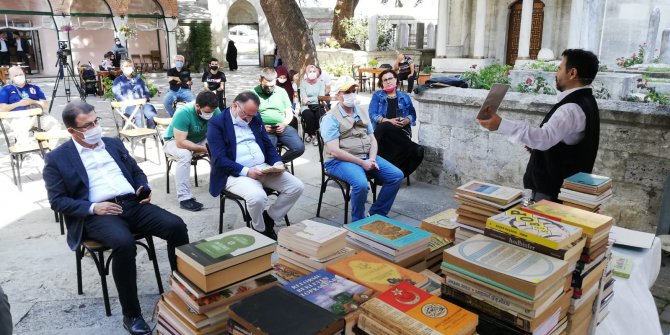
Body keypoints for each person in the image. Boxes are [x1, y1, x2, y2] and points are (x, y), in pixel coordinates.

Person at [43, 101, 189, 335]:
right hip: (98, 213)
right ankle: (131, 314)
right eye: (87, 125)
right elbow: (57, 201)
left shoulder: (112, 143)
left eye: (96, 121)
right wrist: (93, 207)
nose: (95, 127)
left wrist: (142, 186)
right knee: (123, 244)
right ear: (72, 131)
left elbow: (136, 171)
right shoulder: (58, 158)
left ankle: (185, 291)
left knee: (176, 225)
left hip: (132, 203)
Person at [477, 49, 601, 202]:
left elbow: (544, 139)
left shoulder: (570, 108)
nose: (556, 74)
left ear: (572, 73)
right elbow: (564, 142)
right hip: (566, 190)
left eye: (560, 68)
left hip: (553, 192)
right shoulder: (587, 101)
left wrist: (500, 124)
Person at [207, 91, 304, 240]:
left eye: (253, 115)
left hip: (263, 167)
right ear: (234, 106)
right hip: (235, 173)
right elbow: (219, 159)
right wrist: (246, 171)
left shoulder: (254, 117)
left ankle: (269, 217)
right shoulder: (217, 123)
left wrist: (277, 163)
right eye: (246, 114)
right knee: (258, 197)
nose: (249, 119)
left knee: (296, 186)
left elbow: (267, 144)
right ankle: (259, 229)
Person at [320, 79, 404, 222]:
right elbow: (334, 151)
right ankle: (358, 221)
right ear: (337, 96)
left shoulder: (361, 111)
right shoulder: (331, 118)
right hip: (338, 161)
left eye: (353, 91)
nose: (351, 95)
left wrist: (371, 159)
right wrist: (362, 163)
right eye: (347, 92)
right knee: (361, 184)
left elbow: (372, 140)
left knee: (396, 176)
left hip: (365, 156)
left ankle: (377, 214)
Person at [163, 91, 221, 211]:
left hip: (199, 139)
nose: (209, 115)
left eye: (211, 112)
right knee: (184, 154)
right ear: (197, 106)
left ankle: (225, 184)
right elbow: (181, 142)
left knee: (223, 145)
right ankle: (184, 198)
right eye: (206, 112)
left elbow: (220, 131)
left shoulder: (215, 110)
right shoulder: (183, 112)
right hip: (174, 141)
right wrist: (205, 149)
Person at [368, 69, 424, 178]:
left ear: (396, 80)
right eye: (385, 80)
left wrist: (407, 120)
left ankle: (391, 174)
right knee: (385, 126)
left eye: (390, 78)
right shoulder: (377, 96)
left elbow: (413, 114)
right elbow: (372, 115)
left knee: (388, 129)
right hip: (382, 133)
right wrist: (389, 121)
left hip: (400, 132)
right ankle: (413, 148)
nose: (388, 81)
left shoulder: (404, 97)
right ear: (382, 83)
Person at [252, 67, 305, 163]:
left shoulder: (281, 91)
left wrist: (284, 124)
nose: (269, 89)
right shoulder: (252, 93)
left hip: (282, 126)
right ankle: (273, 166)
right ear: (260, 80)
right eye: (266, 86)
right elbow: (247, 117)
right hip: (264, 129)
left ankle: (278, 163)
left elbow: (289, 113)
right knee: (268, 150)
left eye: (272, 86)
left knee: (299, 147)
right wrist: (261, 127)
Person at [112, 59, 157, 128]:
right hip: (127, 105)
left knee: (151, 113)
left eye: (130, 66)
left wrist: (145, 99)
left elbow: (146, 91)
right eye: (126, 66)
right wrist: (129, 102)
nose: (128, 68)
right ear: (122, 67)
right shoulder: (118, 80)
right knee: (138, 114)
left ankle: (150, 131)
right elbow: (117, 95)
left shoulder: (138, 78)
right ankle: (141, 134)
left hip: (142, 104)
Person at [299, 64, 326, 146]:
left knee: (320, 115)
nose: (312, 73)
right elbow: (303, 99)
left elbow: (321, 97)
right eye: (310, 71)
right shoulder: (303, 84)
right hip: (306, 106)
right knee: (308, 115)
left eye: (314, 71)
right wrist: (314, 98)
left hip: (318, 105)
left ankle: (318, 134)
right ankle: (313, 135)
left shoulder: (321, 83)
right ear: (306, 73)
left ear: (317, 72)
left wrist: (309, 99)